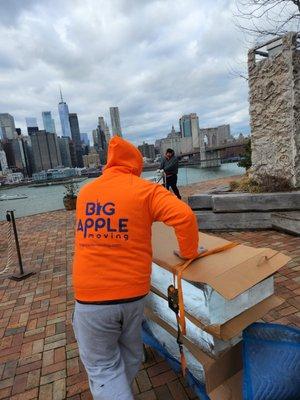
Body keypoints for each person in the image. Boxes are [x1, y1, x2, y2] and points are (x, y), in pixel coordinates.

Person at [72, 136, 199, 400]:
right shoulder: (146, 191)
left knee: (102, 367)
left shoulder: (85, 193)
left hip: (92, 298)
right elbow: (185, 216)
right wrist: (188, 253)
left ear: (109, 163)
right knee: (129, 353)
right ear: (136, 164)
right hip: (134, 294)